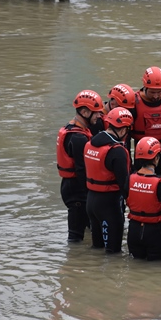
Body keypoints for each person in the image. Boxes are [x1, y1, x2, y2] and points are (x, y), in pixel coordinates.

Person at [56, 90, 104, 242]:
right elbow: (82, 169)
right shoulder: (77, 138)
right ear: (84, 112)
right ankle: (74, 262)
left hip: (72, 187)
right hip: (75, 190)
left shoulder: (74, 130)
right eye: (96, 113)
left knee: (86, 228)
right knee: (75, 237)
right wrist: (91, 192)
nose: (99, 116)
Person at [84, 107, 133, 253]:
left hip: (91, 202)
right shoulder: (117, 151)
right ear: (124, 129)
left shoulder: (91, 142)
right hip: (109, 205)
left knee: (97, 248)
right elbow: (124, 184)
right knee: (113, 253)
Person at [125, 136, 161, 260]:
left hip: (134, 230)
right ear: (156, 158)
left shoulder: (129, 179)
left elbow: (126, 198)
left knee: (136, 268)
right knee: (158, 269)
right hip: (155, 231)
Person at [131, 66, 161, 194]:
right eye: (153, 92)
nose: (157, 96)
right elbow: (126, 135)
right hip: (141, 156)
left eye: (159, 91)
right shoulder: (133, 103)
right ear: (145, 86)